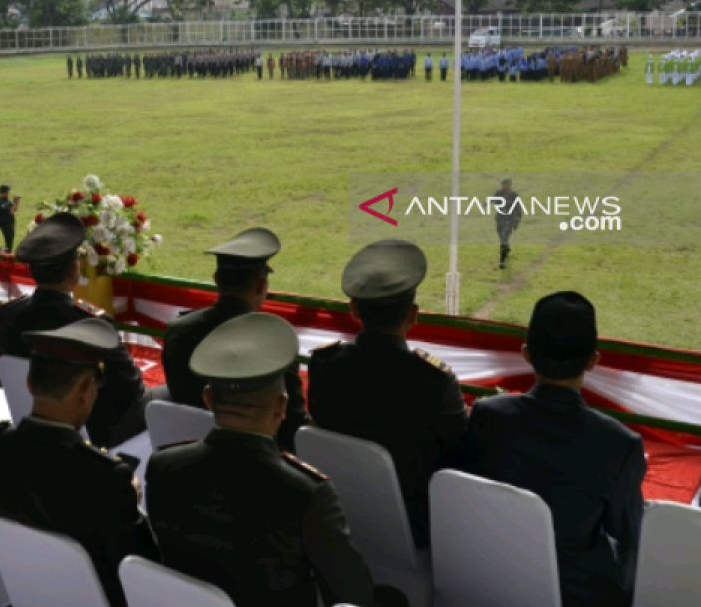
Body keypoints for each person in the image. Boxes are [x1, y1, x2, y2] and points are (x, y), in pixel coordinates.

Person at [147, 312, 407, 607]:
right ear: (281, 406)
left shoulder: (163, 467)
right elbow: (351, 593)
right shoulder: (306, 493)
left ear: (208, 398)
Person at [461, 291, 645, 607]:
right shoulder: (618, 444)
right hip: (574, 593)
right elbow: (631, 537)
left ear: (526, 354)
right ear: (593, 360)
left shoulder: (487, 415)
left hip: (489, 576)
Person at [0, 318, 157, 607]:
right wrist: (132, 499)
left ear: (29, 383)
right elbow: (140, 567)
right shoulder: (106, 478)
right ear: (87, 390)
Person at [307, 239, 467, 546]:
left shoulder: (323, 365)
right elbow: (458, 448)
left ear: (353, 309)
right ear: (413, 314)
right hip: (413, 527)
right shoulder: (434, 381)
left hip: (336, 513)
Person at [0, 212, 150, 447]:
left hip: (31, 421)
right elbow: (130, 387)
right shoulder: (92, 323)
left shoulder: (7, 314)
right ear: (74, 270)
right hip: (96, 433)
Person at [161, 228, 307, 450]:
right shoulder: (274, 342)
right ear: (261, 286)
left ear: (217, 280)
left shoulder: (178, 330)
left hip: (191, 450)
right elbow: (292, 422)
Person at [493, 176, 522, 269]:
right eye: (503, 184)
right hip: (500, 219)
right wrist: (484, 204)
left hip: (509, 219)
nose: (505, 186)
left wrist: (516, 221)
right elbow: (491, 199)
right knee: (502, 237)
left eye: (507, 184)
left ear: (510, 185)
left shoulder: (514, 195)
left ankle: (502, 261)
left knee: (504, 239)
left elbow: (519, 209)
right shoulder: (498, 193)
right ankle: (506, 248)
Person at [0, 184, 19, 253]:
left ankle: (8, 254)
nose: (8, 194)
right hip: (6, 226)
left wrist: (16, 203)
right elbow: (10, 211)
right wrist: (15, 202)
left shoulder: (6, 201)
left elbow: (14, 209)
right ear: (4, 192)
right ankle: (7, 256)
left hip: (10, 225)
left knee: (10, 242)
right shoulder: (1, 203)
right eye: (7, 192)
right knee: (8, 243)